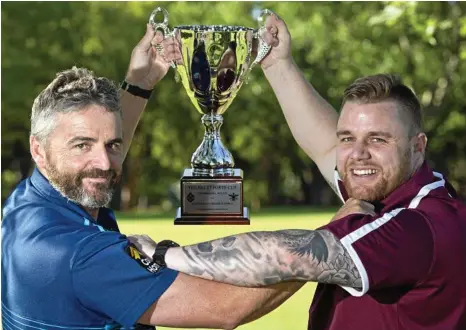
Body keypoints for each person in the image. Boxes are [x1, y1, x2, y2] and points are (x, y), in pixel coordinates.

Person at [129, 14, 466, 330]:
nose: (358, 154)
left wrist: (162, 254)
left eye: (378, 139)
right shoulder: (386, 189)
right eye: (348, 137)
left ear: (418, 146)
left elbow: (291, 255)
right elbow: (325, 147)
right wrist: (277, 64)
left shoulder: (423, 226)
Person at [1, 24, 305, 329]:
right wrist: (324, 249)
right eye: (82, 145)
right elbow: (224, 308)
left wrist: (140, 83)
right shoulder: (79, 254)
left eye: (113, 146)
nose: (105, 162)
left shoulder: (25, 205)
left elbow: (103, 139)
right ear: (37, 150)